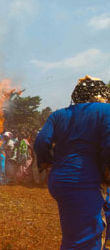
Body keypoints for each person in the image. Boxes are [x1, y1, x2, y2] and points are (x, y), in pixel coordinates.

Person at [34, 75, 110, 250]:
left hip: (60, 181)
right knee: (85, 241)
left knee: (74, 235)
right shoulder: (106, 111)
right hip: (84, 180)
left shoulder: (58, 114)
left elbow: (41, 142)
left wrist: (48, 163)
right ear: (101, 94)